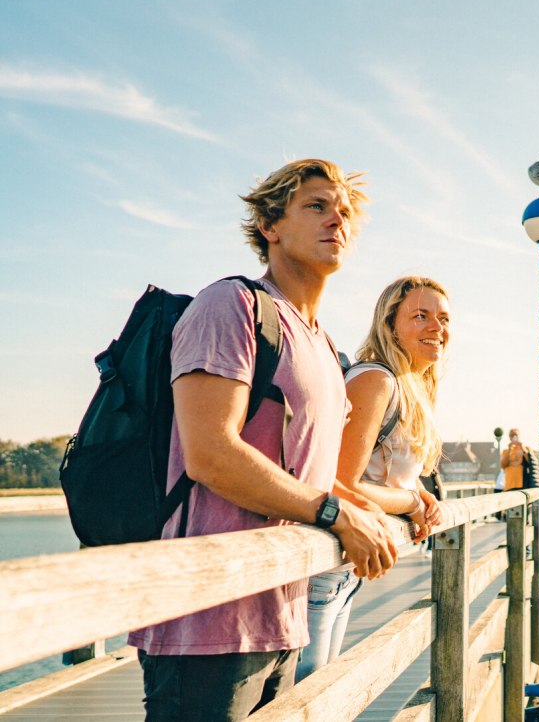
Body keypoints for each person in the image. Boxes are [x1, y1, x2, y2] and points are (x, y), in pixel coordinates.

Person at [127, 159, 398, 721]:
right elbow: (210, 454)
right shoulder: (231, 306)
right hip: (206, 623)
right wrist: (335, 514)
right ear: (270, 226)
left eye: (344, 212)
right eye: (317, 206)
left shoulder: (324, 345)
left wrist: (369, 509)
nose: (336, 222)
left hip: (283, 612)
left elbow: (314, 478)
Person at [298, 276, 450, 679]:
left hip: (346, 564)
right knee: (304, 695)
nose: (438, 328)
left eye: (444, 318)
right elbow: (336, 481)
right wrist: (413, 503)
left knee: (319, 694)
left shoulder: (405, 385)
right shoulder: (376, 380)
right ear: (389, 325)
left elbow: (381, 466)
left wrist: (419, 492)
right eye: (421, 316)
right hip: (321, 567)